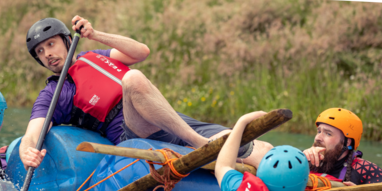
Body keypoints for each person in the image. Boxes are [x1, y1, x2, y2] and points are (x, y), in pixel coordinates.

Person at [20, 16, 273, 171]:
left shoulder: (94, 57)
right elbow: (33, 133)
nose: (47, 54)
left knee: (260, 149)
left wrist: (95, 35)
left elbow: (140, 52)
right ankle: (198, 143)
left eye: (50, 44)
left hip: (166, 119)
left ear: (66, 40)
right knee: (132, 78)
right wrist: (27, 152)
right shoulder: (55, 92)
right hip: (131, 132)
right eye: (40, 52)